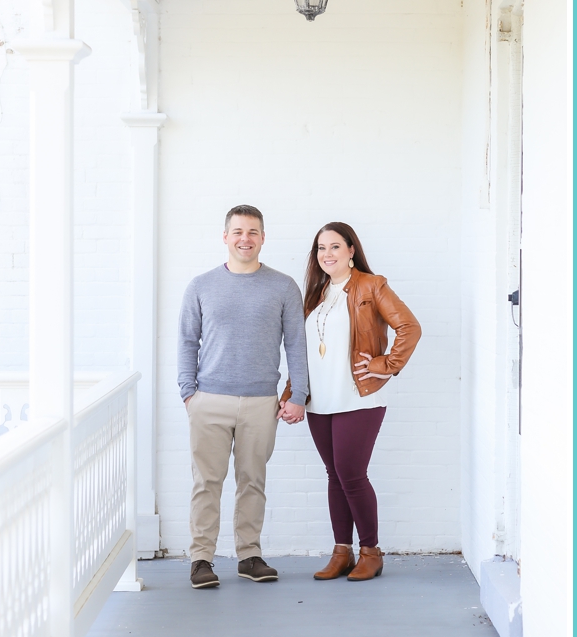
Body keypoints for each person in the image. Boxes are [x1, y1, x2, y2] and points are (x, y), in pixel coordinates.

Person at [280, 222, 421, 581]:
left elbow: (409, 326)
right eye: (320, 249)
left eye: (335, 247)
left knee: (352, 475)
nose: (327, 254)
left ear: (351, 250)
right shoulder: (315, 294)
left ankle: (370, 551)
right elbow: (303, 351)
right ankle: (341, 551)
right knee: (334, 475)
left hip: (358, 397)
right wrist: (291, 394)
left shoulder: (372, 286)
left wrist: (385, 365)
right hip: (319, 401)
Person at [178, 205, 309, 589]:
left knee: (253, 481)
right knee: (207, 482)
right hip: (209, 400)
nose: (245, 239)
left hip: (260, 402)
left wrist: (297, 394)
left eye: (252, 232)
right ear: (225, 237)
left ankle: (248, 555)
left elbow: (296, 344)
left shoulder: (283, 286)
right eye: (237, 232)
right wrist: (189, 392)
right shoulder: (200, 286)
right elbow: (187, 341)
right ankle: (201, 559)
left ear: (263, 238)